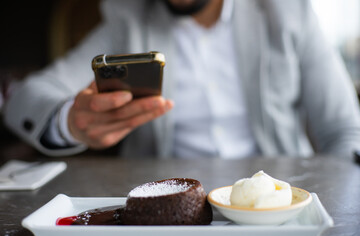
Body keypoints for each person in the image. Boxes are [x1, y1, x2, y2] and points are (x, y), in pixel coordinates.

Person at [3, 0, 360, 159]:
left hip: (277, 203)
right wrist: (70, 123)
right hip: (164, 217)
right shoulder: (127, 17)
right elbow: (26, 97)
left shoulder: (289, 9)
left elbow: (344, 129)